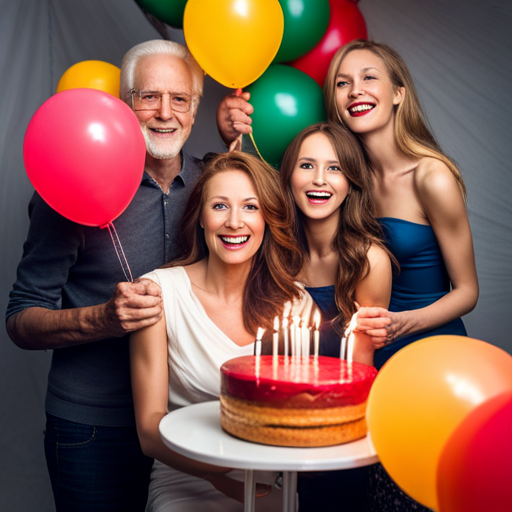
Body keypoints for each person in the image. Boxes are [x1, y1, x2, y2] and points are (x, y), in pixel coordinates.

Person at [6, 39, 207, 511]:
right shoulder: (72, 182)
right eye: (148, 96)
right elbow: (20, 319)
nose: (164, 112)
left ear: (195, 111)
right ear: (123, 103)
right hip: (93, 428)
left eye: (180, 99)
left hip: (187, 420)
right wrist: (101, 318)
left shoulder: (212, 185)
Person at [130, 151, 302, 511]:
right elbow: (149, 431)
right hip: (185, 483)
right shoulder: (158, 293)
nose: (235, 222)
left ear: (269, 218)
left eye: (251, 207)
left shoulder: (295, 304)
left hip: (272, 486)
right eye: (220, 206)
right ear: (200, 218)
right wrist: (217, 472)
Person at [279, 123, 392, 512]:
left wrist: (317, 443)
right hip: (273, 425)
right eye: (307, 166)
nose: (320, 180)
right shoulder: (272, 252)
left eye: (335, 168)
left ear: (351, 182)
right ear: (289, 175)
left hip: (339, 434)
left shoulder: (369, 261)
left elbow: (359, 376)